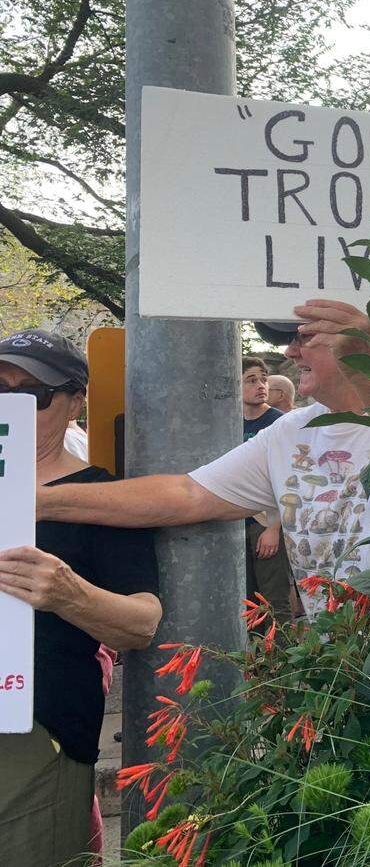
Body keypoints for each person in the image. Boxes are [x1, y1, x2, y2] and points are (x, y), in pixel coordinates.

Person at [36, 301, 370, 616]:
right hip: (354, 660)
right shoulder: (291, 430)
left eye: (305, 337)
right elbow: (186, 494)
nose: (289, 352)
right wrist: (38, 500)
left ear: (361, 343)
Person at [0, 330, 161, 864]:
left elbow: (141, 625)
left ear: (75, 401)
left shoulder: (102, 497)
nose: (11, 403)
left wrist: (69, 594)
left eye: (33, 393)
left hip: (33, 728)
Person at [240, 357, 295, 618]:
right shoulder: (226, 421)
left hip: (267, 518)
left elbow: (290, 478)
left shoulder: (279, 422)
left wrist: (274, 528)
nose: (261, 385)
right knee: (246, 603)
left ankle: (282, 657)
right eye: (252, 380)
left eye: (263, 379)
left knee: (274, 602)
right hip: (235, 519)